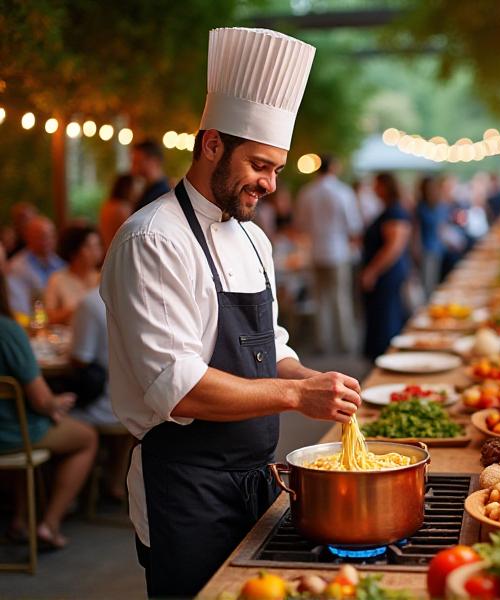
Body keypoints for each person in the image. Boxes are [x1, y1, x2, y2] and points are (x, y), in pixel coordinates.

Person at [100, 28, 360, 597]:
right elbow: (180, 389)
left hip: (255, 479)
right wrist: (296, 397)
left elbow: (272, 344)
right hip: (184, 487)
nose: (269, 184)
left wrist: (313, 379)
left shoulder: (253, 238)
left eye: (276, 170)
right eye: (260, 166)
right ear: (212, 143)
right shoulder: (151, 240)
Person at [0, 244, 98, 550]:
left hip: (10, 427)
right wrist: (57, 404)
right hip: (13, 433)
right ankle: (49, 523)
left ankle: (20, 519)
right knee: (86, 437)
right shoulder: (9, 332)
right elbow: (41, 400)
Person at [69, 287, 133, 501]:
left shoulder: (91, 302)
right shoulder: (140, 295)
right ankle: (114, 481)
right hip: (138, 401)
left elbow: (81, 358)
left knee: (58, 411)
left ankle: (72, 494)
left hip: (105, 402)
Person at [295, 155, 362, 354]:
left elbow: (300, 224)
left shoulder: (307, 192)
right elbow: (354, 224)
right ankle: (345, 343)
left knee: (320, 299)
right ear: (333, 167)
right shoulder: (343, 192)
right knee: (340, 298)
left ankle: (322, 342)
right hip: (338, 251)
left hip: (315, 251)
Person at [361, 172, 412, 359]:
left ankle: (386, 357)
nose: (374, 189)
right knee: (382, 316)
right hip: (386, 273)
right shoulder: (390, 209)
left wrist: (372, 271)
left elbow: (394, 246)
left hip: (387, 274)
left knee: (386, 317)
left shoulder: (394, 211)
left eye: (376, 184)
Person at [43, 224, 103, 325]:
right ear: (74, 250)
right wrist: (79, 310)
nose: (96, 251)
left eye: (97, 245)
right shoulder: (57, 279)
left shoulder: (102, 277)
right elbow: (49, 317)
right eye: (89, 246)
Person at [6, 215, 65, 317]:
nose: (48, 240)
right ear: (28, 238)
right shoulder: (16, 268)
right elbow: (19, 308)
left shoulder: (60, 264)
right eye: (42, 236)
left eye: (51, 235)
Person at [414, 176, 447, 299]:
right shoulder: (423, 207)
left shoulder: (435, 206)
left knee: (430, 283)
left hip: (433, 248)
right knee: (428, 284)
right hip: (428, 249)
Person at [99, 174, 139, 250]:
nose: (137, 192)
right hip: (119, 249)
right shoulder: (124, 208)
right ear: (128, 189)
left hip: (107, 250)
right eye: (135, 188)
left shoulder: (108, 205)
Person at [131, 140, 171, 213]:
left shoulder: (162, 194)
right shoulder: (148, 190)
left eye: (138, 162)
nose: (133, 166)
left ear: (154, 161)